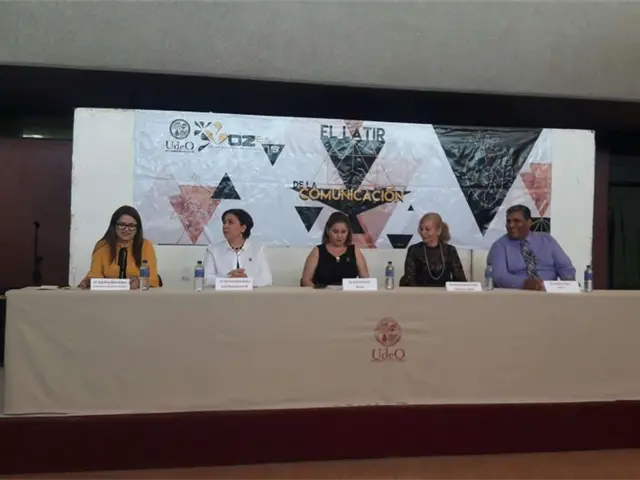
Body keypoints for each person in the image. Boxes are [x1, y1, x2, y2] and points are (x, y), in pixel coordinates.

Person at [487, 204, 575, 290]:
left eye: (516, 221)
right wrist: (525, 284)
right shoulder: (499, 246)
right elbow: (499, 276)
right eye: (508, 221)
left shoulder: (547, 241)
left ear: (529, 222)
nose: (511, 225)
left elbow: (565, 267)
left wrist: (569, 284)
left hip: (549, 292)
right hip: (518, 293)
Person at [79, 205, 159, 289]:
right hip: (108, 294)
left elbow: (154, 279)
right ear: (114, 226)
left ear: (137, 228)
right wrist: (90, 281)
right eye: (122, 224)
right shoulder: (102, 246)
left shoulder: (146, 245)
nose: (126, 229)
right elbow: (95, 276)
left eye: (131, 226)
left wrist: (139, 282)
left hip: (136, 295)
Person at [204, 208, 272, 287]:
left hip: (251, 294)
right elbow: (206, 279)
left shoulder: (257, 250)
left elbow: (267, 279)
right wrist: (228, 279)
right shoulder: (213, 250)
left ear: (243, 228)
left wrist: (245, 280)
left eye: (230, 222)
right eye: (224, 223)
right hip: (222, 294)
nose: (225, 226)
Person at [301, 212, 370, 287]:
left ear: (348, 232)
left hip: (349, 294)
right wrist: (319, 291)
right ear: (327, 231)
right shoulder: (317, 251)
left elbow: (366, 281)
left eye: (343, 232)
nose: (339, 236)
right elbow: (305, 281)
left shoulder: (355, 251)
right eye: (335, 231)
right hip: (322, 293)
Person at [400, 212, 466, 287]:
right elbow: (409, 280)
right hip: (419, 293)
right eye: (421, 229)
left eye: (427, 229)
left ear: (438, 231)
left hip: (444, 293)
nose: (423, 232)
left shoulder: (450, 250)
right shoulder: (414, 250)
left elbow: (460, 279)